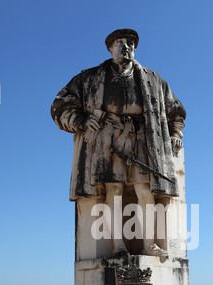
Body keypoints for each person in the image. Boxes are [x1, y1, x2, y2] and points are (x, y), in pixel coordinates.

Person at [51, 28, 186, 257]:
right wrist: (81, 122)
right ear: (110, 48)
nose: (126, 47)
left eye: (131, 44)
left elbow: (176, 110)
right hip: (107, 139)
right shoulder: (90, 77)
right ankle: (118, 246)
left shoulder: (154, 80)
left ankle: (149, 244)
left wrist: (175, 134)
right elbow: (60, 104)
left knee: (145, 190)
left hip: (143, 138)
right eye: (120, 43)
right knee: (113, 190)